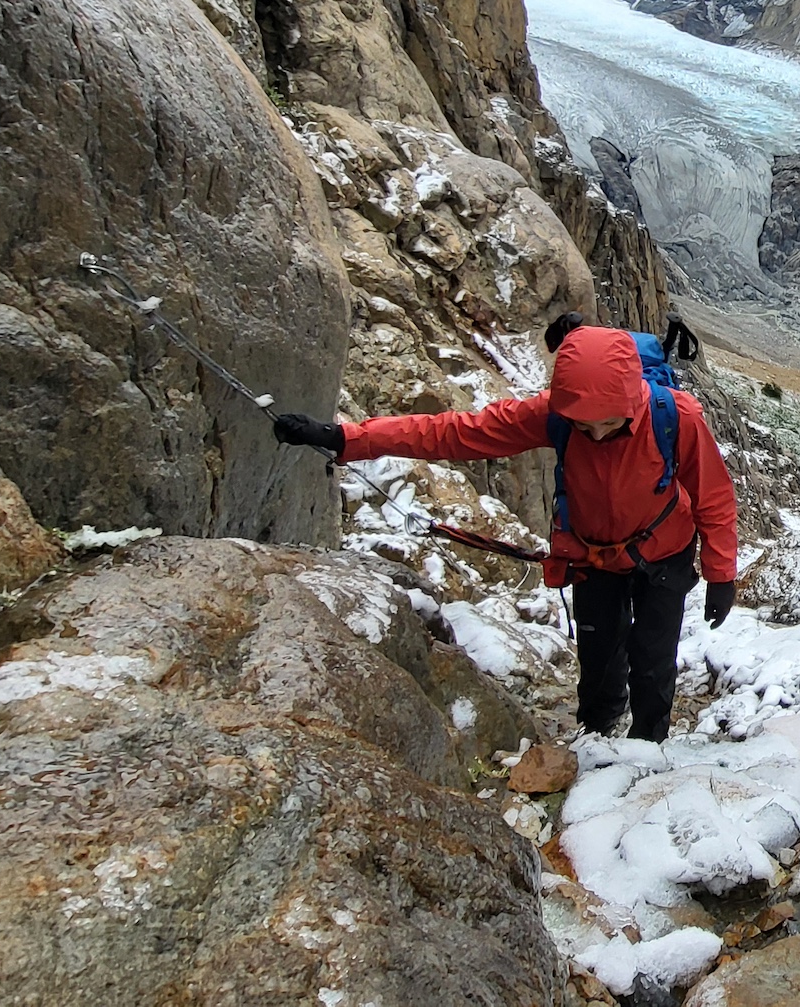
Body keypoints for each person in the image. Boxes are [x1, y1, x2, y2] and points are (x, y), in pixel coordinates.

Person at [273, 317, 739, 741]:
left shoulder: (676, 417)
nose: (595, 436)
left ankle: (649, 743)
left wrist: (721, 575)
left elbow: (713, 498)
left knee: (653, 662)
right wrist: (346, 438)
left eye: (608, 426)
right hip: (593, 556)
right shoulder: (555, 415)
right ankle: (596, 735)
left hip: (663, 556)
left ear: (631, 402)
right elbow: (454, 433)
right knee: (597, 661)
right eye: (584, 427)